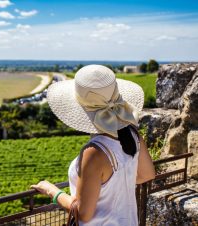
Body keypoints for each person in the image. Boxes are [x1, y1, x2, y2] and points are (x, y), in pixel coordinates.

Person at [30, 65, 155, 225]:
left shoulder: (94, 152)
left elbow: (83, 214)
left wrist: (51, 190)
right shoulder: (132, 134)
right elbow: (147, 174)